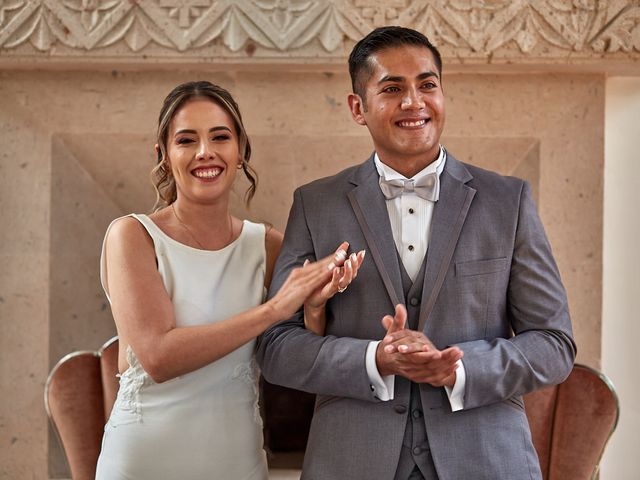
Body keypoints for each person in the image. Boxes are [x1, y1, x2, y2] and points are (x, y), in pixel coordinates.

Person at [256, 26, 576, 480]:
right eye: (392, 88)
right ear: (357, 108)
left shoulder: (509, 201)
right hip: (352, 462)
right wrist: (374, 360)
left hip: (485, 461)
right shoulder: (315, 204)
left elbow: (554, 344)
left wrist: (457, 371)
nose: (414, 102)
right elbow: (276, 348)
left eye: (427, 85)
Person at [94, 80, 364, 479]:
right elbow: (157, 357)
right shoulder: (132, 236)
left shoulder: (267, 246)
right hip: (142, 463)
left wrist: (313, 303)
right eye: (186, 140)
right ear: (164, 156)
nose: (205, 152)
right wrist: (274, 308)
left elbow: (302, 349)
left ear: (240, 151)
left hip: (236, 462)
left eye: (220, 137)